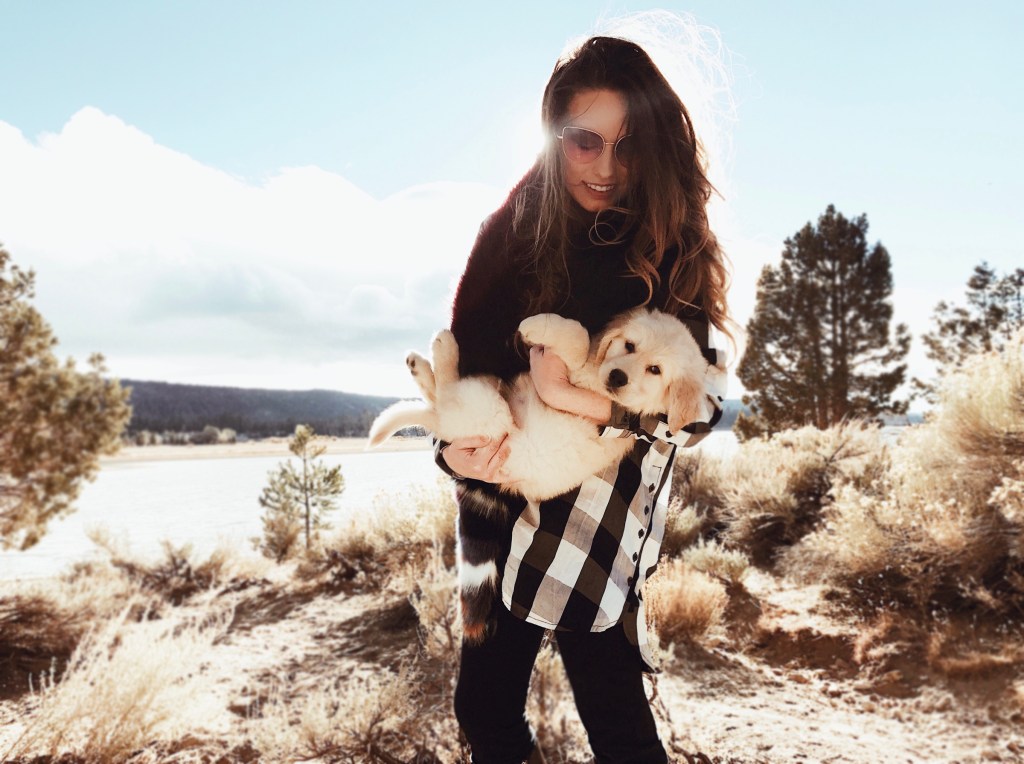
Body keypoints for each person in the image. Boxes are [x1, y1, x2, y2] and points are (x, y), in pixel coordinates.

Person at [436, 31, 731, 764]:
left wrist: (576, 399)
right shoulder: (509, 236)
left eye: (628, 145)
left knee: (616, 720)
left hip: (599, 515)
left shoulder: (672, 247)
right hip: (497, 508)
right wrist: (453, 452)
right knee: (482, 707)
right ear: (552, 136)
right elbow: (464, 373)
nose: (605, 167)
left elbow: (699, 413)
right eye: (584, 141)